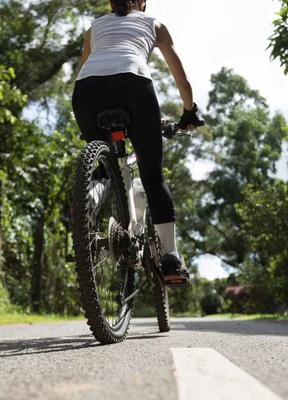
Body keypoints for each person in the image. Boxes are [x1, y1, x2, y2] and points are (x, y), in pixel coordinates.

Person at [72, 0, 203, 285]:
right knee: (152, 175)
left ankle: (84, 208)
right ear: (142, 2)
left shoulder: (95, 27)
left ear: (110, 2)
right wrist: (189, 112)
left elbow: (85, 67)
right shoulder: (154, 23)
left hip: (86, 92)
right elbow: (181, 78)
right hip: (134, 87)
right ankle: (170, 256)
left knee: (101, 173)